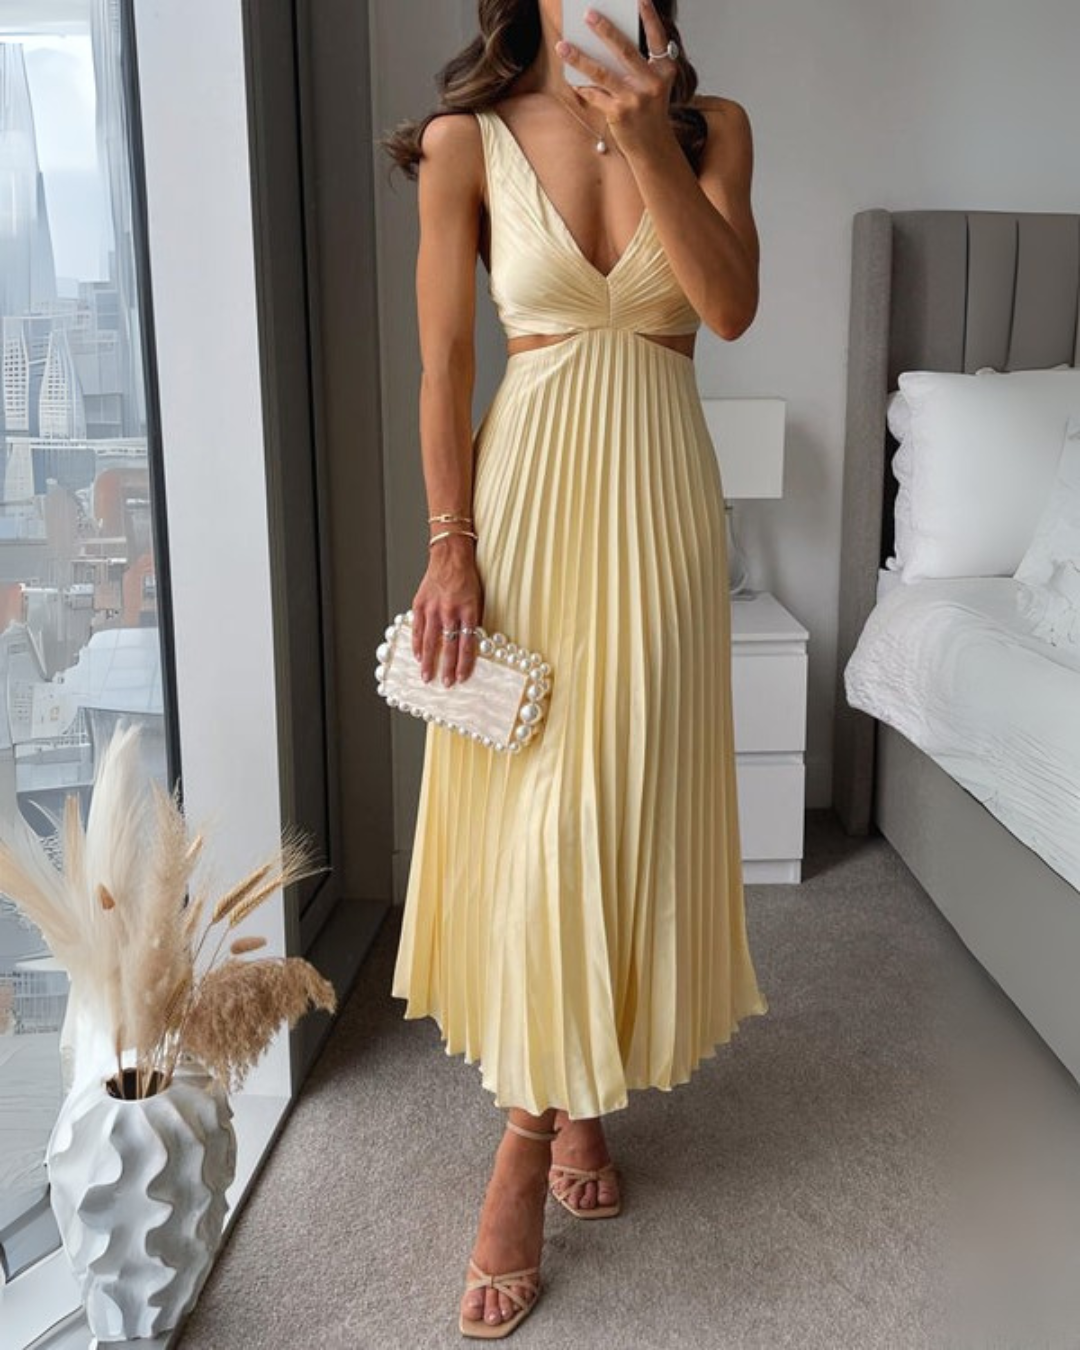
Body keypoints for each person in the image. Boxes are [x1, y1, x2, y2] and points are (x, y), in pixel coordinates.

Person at [380, 0, 769, 1336]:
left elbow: (727, 311)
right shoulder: (465, 141)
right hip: (529, 506)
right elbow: (442, 363)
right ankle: (537, 1134)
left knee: (623, 806)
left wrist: (650, 137)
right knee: (543, 821)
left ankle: (561, 1101)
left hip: (661, 510)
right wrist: (449, 545)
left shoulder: (714, 130)